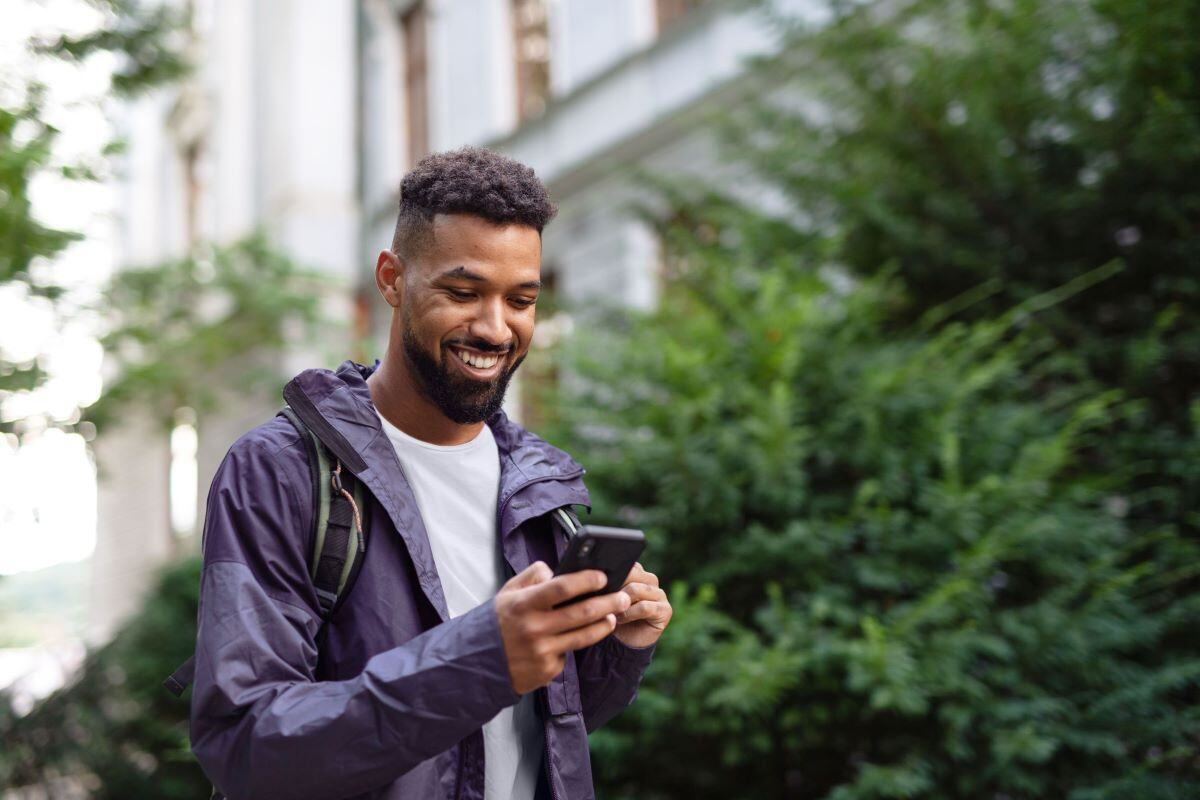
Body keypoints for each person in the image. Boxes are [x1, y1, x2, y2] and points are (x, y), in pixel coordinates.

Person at [189, 147, 673, 800]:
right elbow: (246, 744)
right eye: (463, 292)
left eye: (521, 299)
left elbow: (538, 728)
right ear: (392, 278)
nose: (496, 327)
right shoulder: (280, 471)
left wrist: (616, 649)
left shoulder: (537, 484)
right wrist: (481, 659)